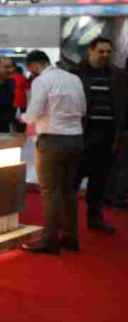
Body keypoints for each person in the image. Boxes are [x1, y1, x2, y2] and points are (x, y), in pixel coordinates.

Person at [21, 50, 86, 254]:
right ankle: (70, 237)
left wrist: (22, 117)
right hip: (76, 138)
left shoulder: (41, 81)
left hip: (52, 139)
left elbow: (33, 113)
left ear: (34, 65)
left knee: (51, 191)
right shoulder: (74, 79)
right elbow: (83, 109)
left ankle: (50, 240)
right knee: (69, 191)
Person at [73, 37, 126, 234]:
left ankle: (95, 217)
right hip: (82, 133)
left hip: (108, 134)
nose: (105, 55)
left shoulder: (118, 75)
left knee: (100, 180)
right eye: (101, 51)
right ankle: (66, 222)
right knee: (73, 179)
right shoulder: (76, 74)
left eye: (108, 52)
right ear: (91, 51)